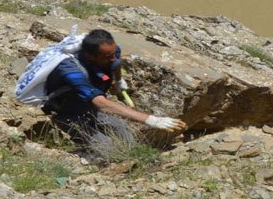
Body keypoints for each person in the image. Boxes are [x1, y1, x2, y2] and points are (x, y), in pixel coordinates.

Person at [41, 29, 186, 152]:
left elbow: (115, 62)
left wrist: (118, 80)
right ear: (89, 56)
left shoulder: (111, 51)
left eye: (113, 53)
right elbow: (101, 103)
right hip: (67, 111)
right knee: (106, 146)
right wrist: (150, 120)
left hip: (90, 105)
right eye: (107, 57)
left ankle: (133, 157)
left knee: (123, 130)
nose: (112, 57)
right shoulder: (70, 71)